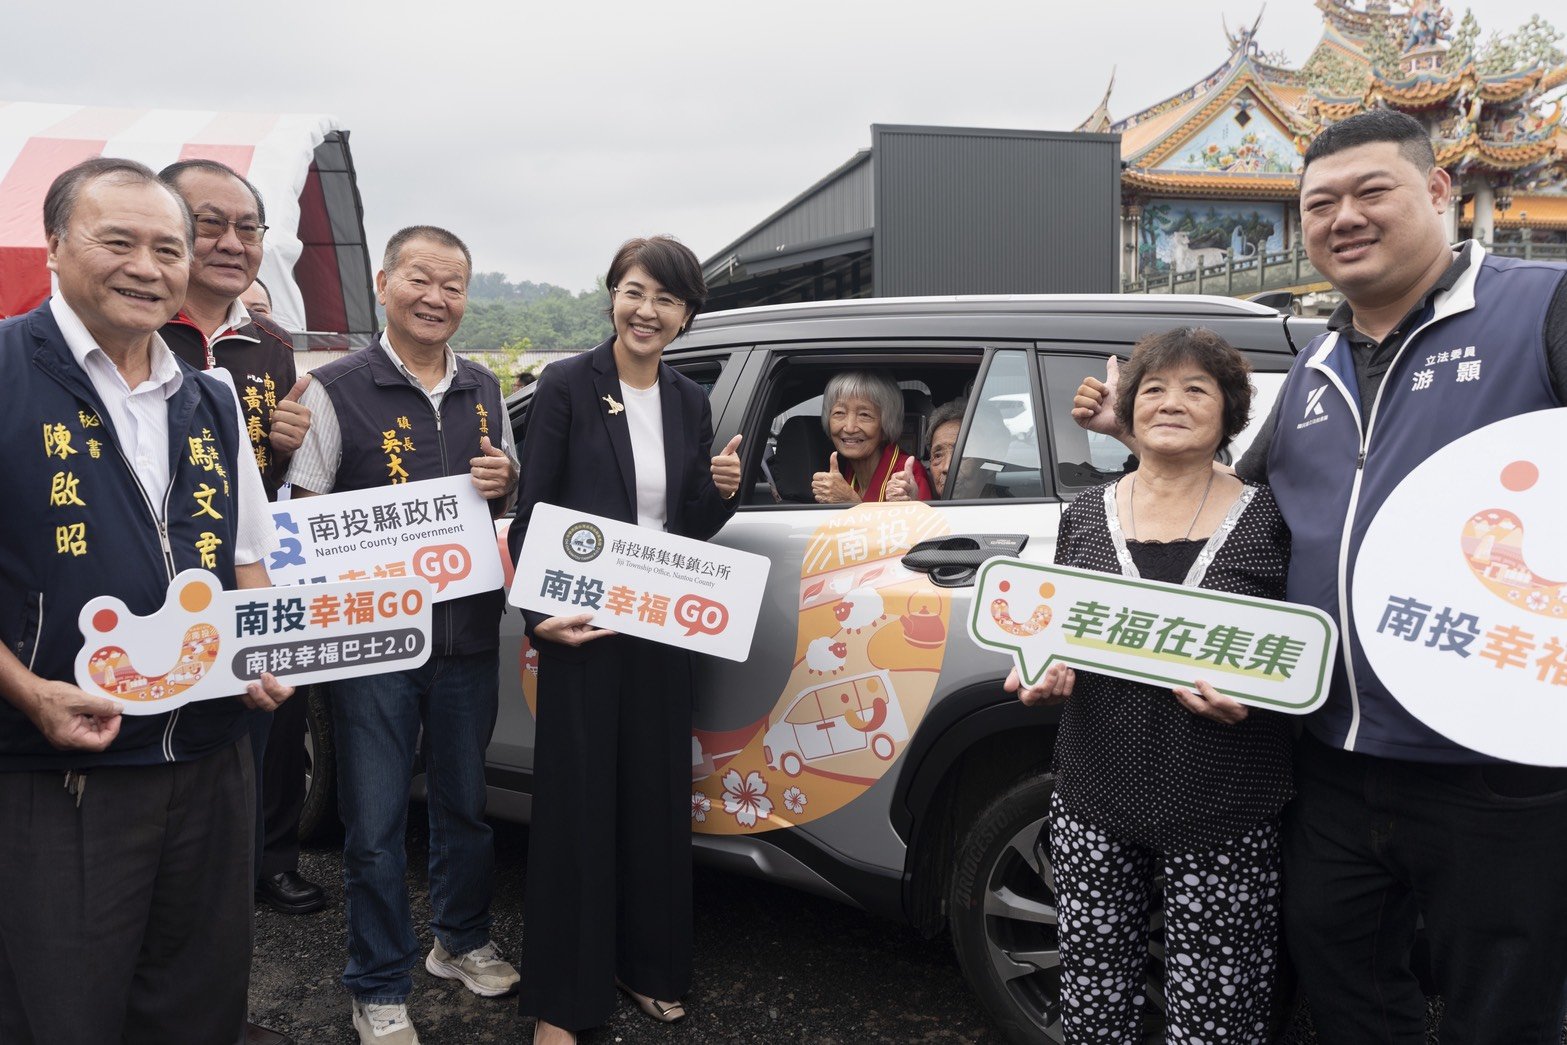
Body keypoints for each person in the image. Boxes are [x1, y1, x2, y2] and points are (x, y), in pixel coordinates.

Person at [1073, 109, 1567, 1043]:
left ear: (1437, 194)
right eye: (1319, 203)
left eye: (1370, 191)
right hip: (1330, 761)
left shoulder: (1538, 308)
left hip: (1495, 773)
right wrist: (1140, 438)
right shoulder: (1312, 371)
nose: (1344, 216)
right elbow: (1236, 510)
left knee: (1500, 1006)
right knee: (1346, 995)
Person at [0, 156, 292, 1044]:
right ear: (54, 245)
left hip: (211, 756)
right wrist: (30, 691)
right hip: (61, 765)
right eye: (116, 240)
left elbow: (247, 555)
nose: (147, 265)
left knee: (199, 999)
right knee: (62, 1009)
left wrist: (260, 653)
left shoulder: (208, 395)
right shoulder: (6, 371)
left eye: (168, 247)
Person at [1009, 328, 1291, 1041]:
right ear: (1127, 411)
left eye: (1196, 389)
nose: (1171, 402)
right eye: (1154, 389)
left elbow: (1298, 651)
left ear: (1229, 414)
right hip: (1094, 791)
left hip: (1225, 800)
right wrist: (1037, 666)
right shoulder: (1082, 512)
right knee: (1093, 992)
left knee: (1217, 1008)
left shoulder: (1271, 518)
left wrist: (1260, 691)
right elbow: (1054, 622)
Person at [286, 225, 520, 1045]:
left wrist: (501, 484)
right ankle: (376, 983)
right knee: (377, 822)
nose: (436, 297)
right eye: (420, 278)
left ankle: (457, 940)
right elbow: (302, 512)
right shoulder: (336, 386)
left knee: (465, 803)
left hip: (464, 636)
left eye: (453, 284)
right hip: (375, 645)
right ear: (383, 283)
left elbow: (502, 506)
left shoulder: (485, 387)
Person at [507, 235, 743, 1045]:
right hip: (581, 621)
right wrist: (536, 615)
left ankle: (648, 966)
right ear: (613, 294)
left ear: (686, 315)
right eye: (636, 292)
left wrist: (721, 494)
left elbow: (683, 528)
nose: (649, 311)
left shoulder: (687, 397)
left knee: (653, 797)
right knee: (577, 806)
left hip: (660, 623)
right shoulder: (569, 382)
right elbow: (533, 510)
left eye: (667, 299)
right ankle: (561, 1001)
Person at [157, 159, 324, 924]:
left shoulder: (268, 344)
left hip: (253, 573)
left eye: (246, 227)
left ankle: (269, 862)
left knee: (266, 733)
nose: (231, 241)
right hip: (160, 586)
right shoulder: (142, 331)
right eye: (209, 223)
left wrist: (286, 443)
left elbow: (265, 478)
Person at [811, 370, 933, 503]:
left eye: (864, 415)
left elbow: (920, 523)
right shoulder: (844, 472)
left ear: (886, 424)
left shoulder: (908, 476)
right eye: (839, 413)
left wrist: (850, 501)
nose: (849, 428)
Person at [888, 396, 964, 500]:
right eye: (938, 456)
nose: (946, 467)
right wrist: (911, 505)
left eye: (961, 453)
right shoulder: (932, 511)